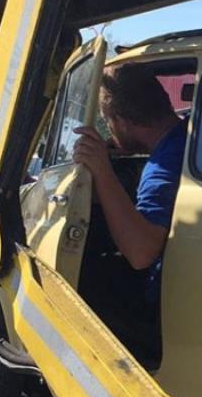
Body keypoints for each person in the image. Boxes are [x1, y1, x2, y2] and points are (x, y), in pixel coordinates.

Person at [73, 64, 188, 362]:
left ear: (122, 121)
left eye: (108, 123)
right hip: (200, 278)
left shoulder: (163, 167)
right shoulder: (192, 136)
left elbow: (141, 253)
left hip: (164, 302)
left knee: (86, 277)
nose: (110, 132)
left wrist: (102, 170)